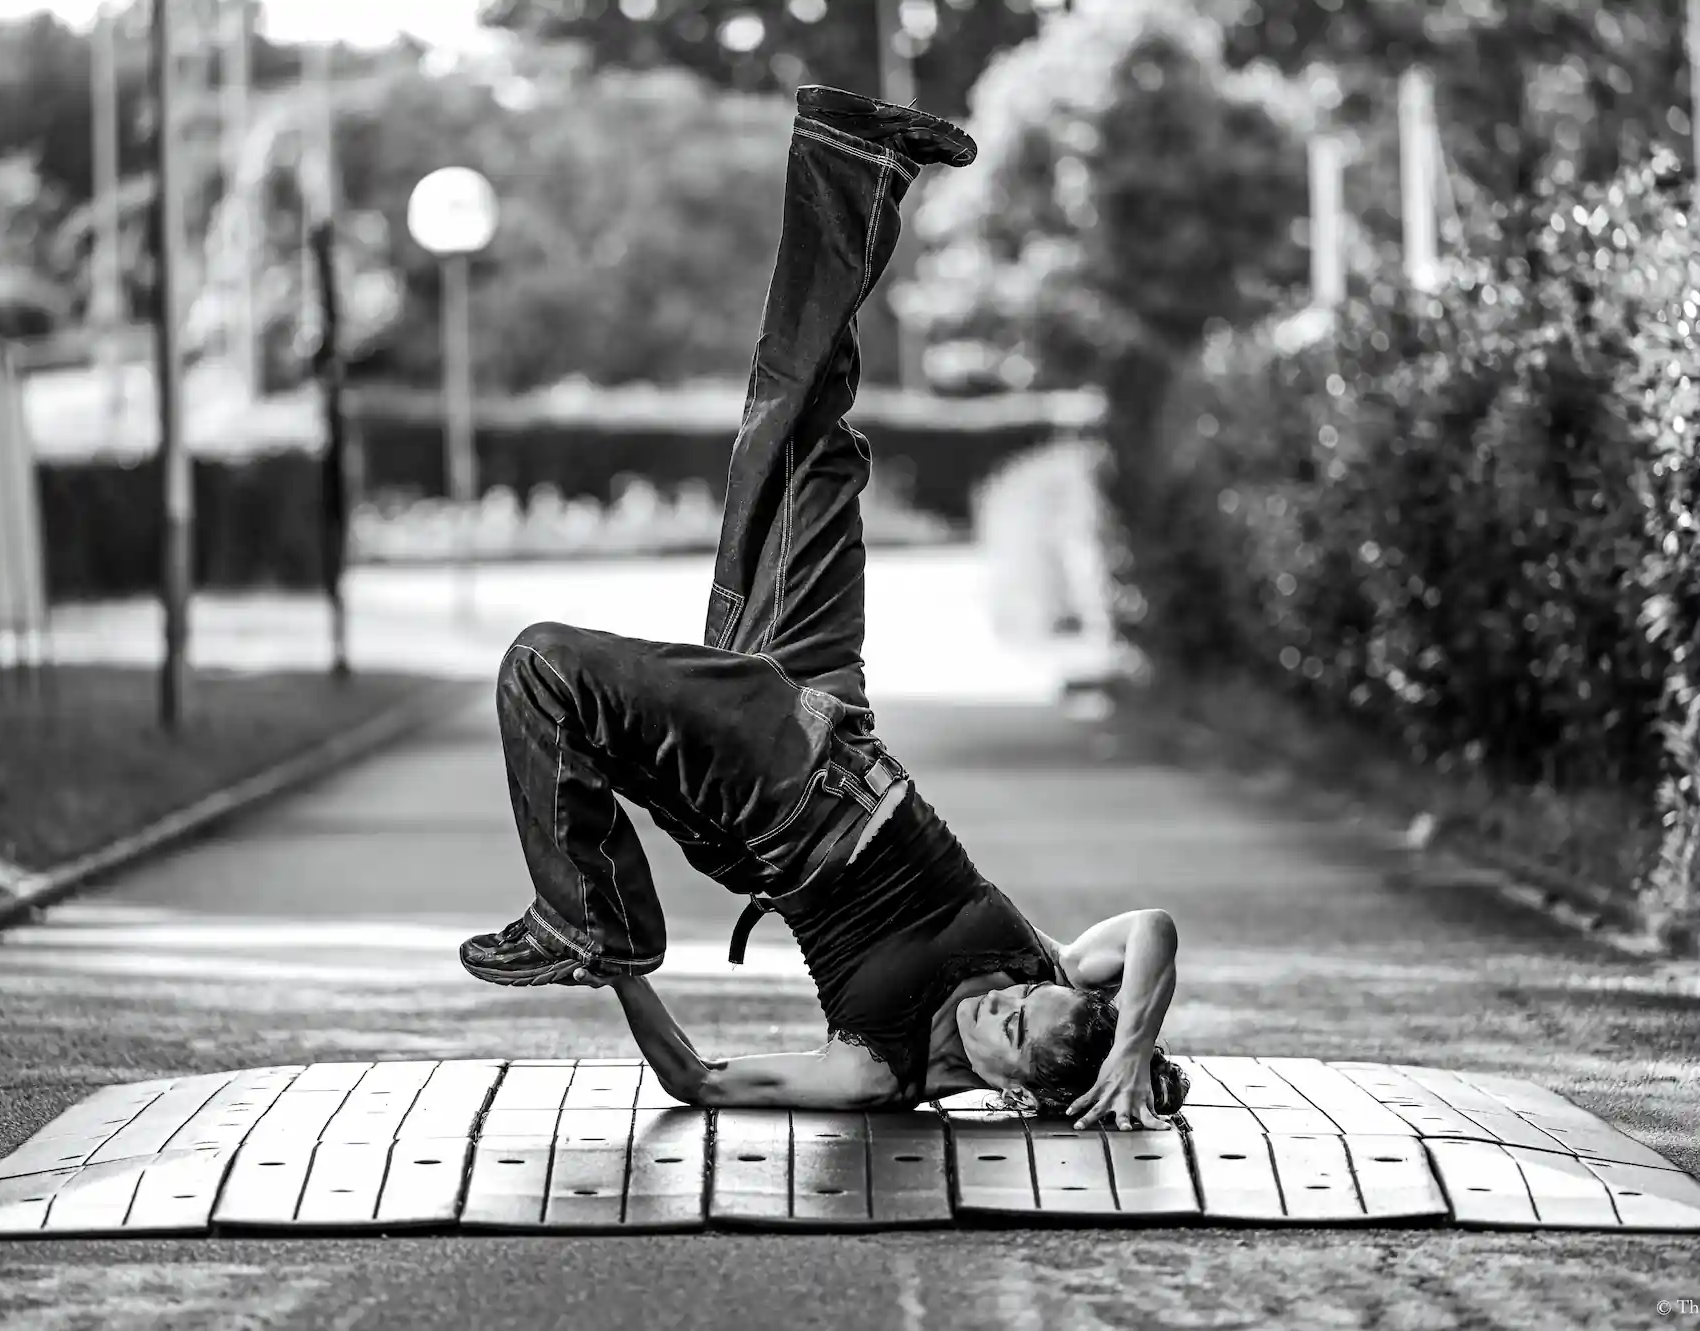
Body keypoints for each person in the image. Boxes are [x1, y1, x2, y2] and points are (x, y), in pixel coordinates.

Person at [461, 85, 1186, 1132]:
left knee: (542, 664)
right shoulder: (1054, 964)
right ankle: (853, 159)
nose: (999, 1001)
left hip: (774, 791)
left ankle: (584, 917)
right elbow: (1154, 929)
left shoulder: (876, 1069)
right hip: (827, 710)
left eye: (1008, 1030)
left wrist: (615, 975)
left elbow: (699, 1081)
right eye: (1023, 995)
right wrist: (1134, 1043)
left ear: (1014, 1089)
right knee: (809, 440)